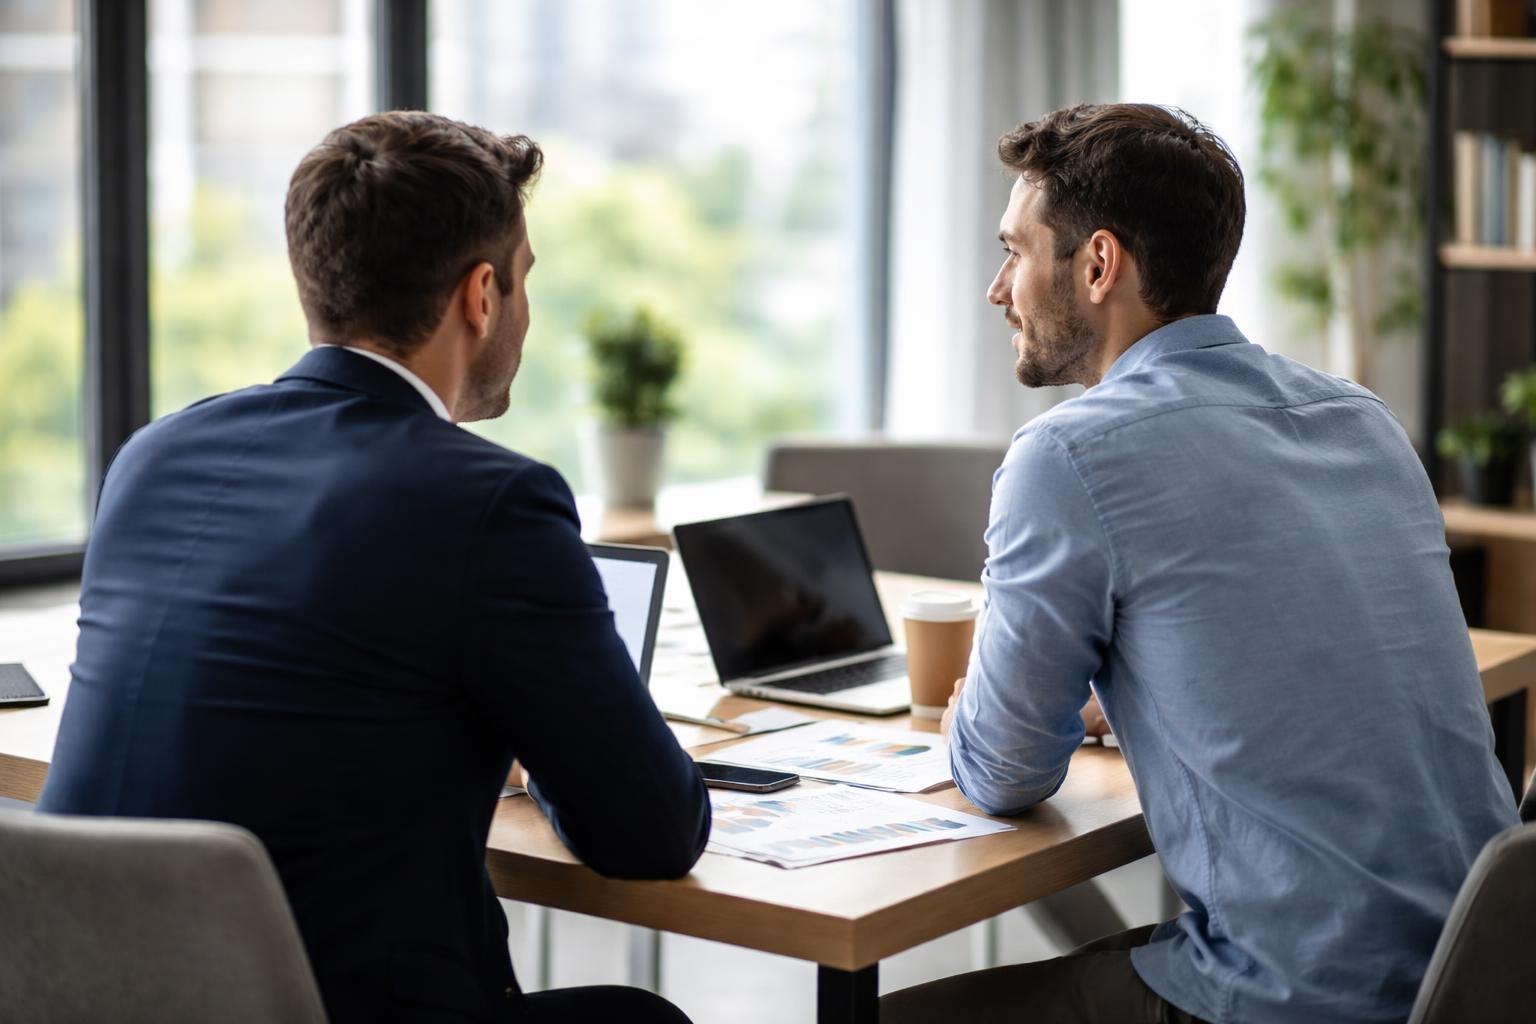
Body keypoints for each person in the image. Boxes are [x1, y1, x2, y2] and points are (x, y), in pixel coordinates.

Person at [39, 111, 709, 1024]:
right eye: (523, 282)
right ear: (482, 295)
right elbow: (652, 834)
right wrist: (537, 728)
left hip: (91, 998)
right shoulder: (490, 500)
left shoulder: (156, 454)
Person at [880, 103, 1518, 1024]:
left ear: (1099, 265)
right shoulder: (1360, 419)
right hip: (1475, 970)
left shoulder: (1070, 455)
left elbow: (1002, 772)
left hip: (1295, 997)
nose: (997, 288)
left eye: (1015, 251)